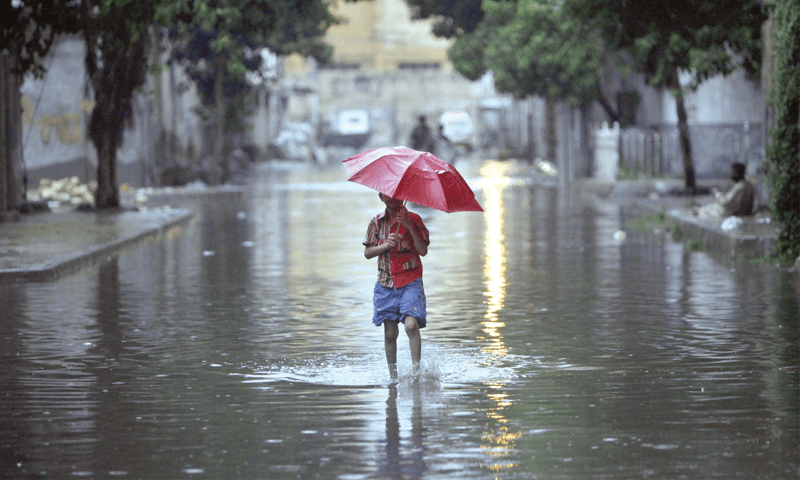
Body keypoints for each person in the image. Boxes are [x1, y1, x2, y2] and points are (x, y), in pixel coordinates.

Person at [363, 192, 430, 380]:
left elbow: (423, 250)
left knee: (411, 325)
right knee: (390, 333)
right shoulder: (376, 222)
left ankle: (416, 372)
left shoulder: (415, 219)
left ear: (403, 197)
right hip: (386, 283)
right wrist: (385, 245)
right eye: (388, 195)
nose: (393, 199)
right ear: (380, 197)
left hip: (410, 281)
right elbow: (368, 252)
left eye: (397, 195)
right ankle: (393, 377)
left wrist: (408, 225)